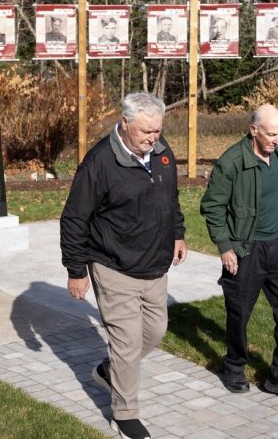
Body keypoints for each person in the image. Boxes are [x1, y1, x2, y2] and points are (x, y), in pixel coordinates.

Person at [61, 91, 188, 439]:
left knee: (156, 332)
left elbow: (170, 199)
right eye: (146, 131)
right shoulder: (101, 162)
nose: (153, 138)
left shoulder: (162, 154)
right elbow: (74, 219)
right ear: (125, 124)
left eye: (158, 131)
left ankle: (109, 369)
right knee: (128, 342)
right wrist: (76, 271)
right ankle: (125, 415)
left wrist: (177, 233)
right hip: (112, 264)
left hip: (154, 265)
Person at [199, 104, 278, 403]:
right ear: (253, 130)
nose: (276, 140)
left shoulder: (276, 150)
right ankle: (234, 366)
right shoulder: (232, 162)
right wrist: (225, 247)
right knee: (239, 313)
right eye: (271, 134)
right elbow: (212, 206)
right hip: (246, 249)